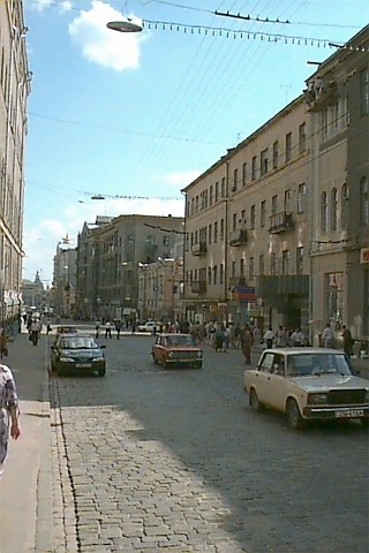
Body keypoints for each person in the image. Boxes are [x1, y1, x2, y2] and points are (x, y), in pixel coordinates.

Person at [0, 362, 21, 479]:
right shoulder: (4, 372)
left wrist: (15, 424)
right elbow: (12, 402)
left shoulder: (5, 373)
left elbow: (12, 401)